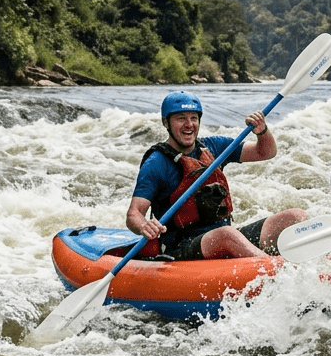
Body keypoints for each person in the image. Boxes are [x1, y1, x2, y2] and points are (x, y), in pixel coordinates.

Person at [127, 91, 307, 260]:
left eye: (194, 118)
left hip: (222, 236)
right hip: (180, 247)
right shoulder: (157, 162)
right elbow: (134, 213)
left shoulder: (215, 147)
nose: (189, 124)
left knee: (295, 217)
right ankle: (276, 269)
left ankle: (295, 259)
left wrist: (262, 131)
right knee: (226, 235)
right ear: (166, 123)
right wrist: (144, 225)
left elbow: (265, 152)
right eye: (181, 119)